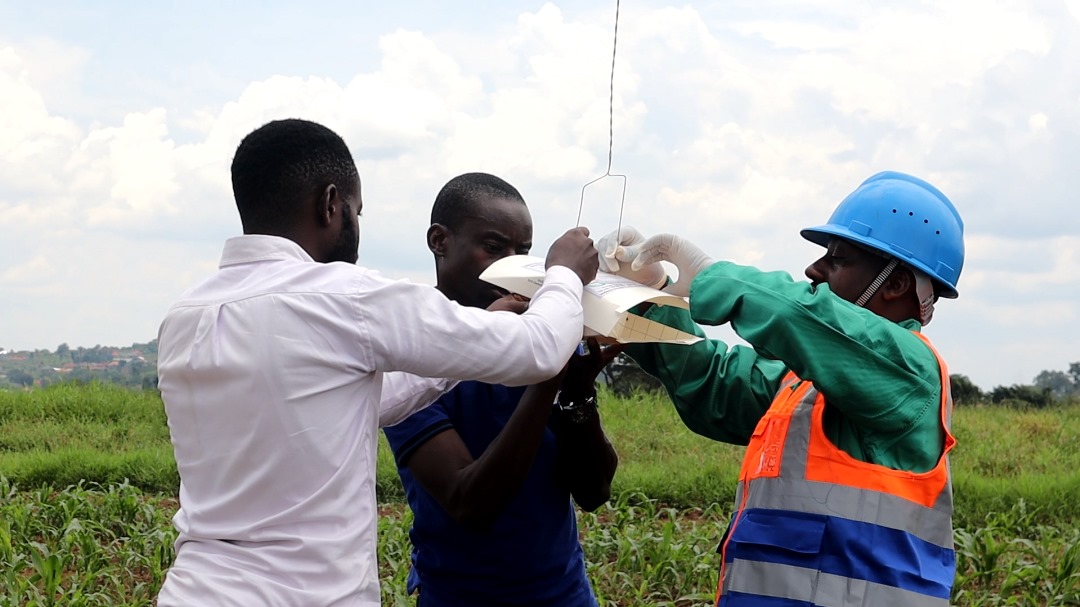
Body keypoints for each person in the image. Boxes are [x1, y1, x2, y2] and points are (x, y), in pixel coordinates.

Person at [155, 119, 600, 607]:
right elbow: (538, 348)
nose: (357, 226)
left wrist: (480, 330)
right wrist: (564, 274)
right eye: (357, 210)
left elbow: (365, 399)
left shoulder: (185, 315)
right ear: (330, 204)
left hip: (195, 590)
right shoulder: (345, 296)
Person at [597, 171, 964, 607]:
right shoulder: (800, 385)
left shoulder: (911, 373)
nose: (814, 268)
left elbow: (802, 316)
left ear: (897, 284)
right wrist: (650, 293)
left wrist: (712, 277)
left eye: (839, 258)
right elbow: (712, 381)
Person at [383, 172, 620, 606]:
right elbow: (469, 502)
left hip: (564, 593)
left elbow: (593, 492)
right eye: (493, 248)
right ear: (440, 241)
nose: (512, 266)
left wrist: (578, 391)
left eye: (523, 252)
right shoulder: (412, 353)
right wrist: (546, 371)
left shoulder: (534, 331)